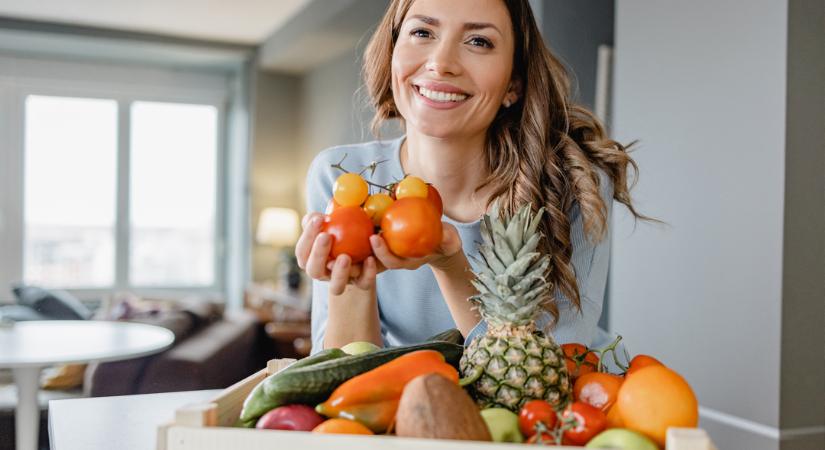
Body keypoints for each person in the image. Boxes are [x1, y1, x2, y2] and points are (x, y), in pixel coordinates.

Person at [295, 0, 649, 355]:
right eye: (422, 32)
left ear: (514, 82)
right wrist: (352, 275)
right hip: (418, 397)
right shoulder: (341, 175)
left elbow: (554, 373)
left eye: (479, 41)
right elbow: (345, 380)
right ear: (391, 51)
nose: (441, 63)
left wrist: (451, 265)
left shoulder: (572, 184)